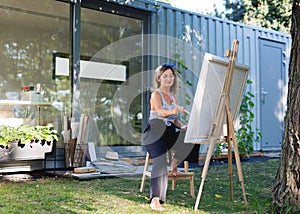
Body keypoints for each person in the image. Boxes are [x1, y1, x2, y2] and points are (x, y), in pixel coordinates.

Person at [143, 62, 193, 211]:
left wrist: (183, 126)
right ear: (159, 78)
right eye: (165, 76)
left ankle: (174, 164)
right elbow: (159, 111)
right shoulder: (156, 94)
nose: (168, 78)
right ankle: (155, 200)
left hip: (169, 131)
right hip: (155, 132)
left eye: (171, 76)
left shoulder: (173, 97)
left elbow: (175, 121)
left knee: (188, 134)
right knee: (159, 160)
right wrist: (173, 110)